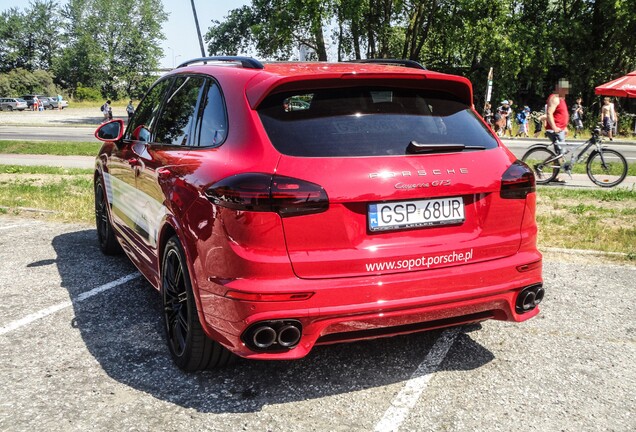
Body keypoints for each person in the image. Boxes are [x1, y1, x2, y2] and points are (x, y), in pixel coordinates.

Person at [546, 78, 571, 182]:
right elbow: (549, 113)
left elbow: (560, 115)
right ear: (559, 88)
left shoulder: (561, 99)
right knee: (561, 152)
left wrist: (564, 126)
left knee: (560, 153)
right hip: (555, 130)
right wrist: (554, 127)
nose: (566, 91)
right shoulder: (555, 98)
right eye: (564, 89)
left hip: (560, 130)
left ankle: (553, 173)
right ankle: (553, 175)